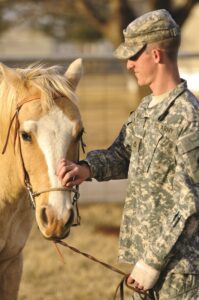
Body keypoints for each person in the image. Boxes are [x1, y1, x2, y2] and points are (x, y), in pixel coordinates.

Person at [56, 9, 199, 299]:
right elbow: (122, 155)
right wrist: (85, 169)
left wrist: (152, 263)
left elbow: (192, 199)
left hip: (178, 275)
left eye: (134, 56)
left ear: (156, 55)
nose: (129, 64)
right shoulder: (146, 110)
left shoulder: (188, 117)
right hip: (142, 268)